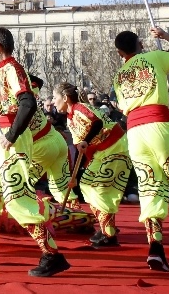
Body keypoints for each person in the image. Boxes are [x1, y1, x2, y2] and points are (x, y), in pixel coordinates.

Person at [0, 27, 70, 277]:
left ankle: (52, 254)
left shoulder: (13, 69)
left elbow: (28, 103)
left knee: (17, 198)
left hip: (9, 136)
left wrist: (12, 135)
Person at [112, 27, 169, 271]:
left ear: (120, 53)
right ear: (140, 43)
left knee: (151, 189)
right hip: (159, 128)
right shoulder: (154, 57)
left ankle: (156, 249)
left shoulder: (119, 76)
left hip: (135, 135)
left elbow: (129, 109)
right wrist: (166, 37)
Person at [52, 81, 131, 247]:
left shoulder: (80, 108)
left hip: (115, 147)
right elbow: (80, 148)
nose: (52, 101)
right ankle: (106, 228)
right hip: (100, 152)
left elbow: (97, 123)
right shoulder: (70, 118)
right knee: (86, 185)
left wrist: (86, 142)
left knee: (99, 188)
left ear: (65, 98)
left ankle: (108, 233)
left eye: (54, 97)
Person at [25, 76, 74, 207]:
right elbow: (39, 81)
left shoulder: (10, 100)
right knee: (61, 186)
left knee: (20, 183)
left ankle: (30, 217)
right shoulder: (29, 91)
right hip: (57, 140)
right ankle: (75, 212)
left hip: (42, 147)